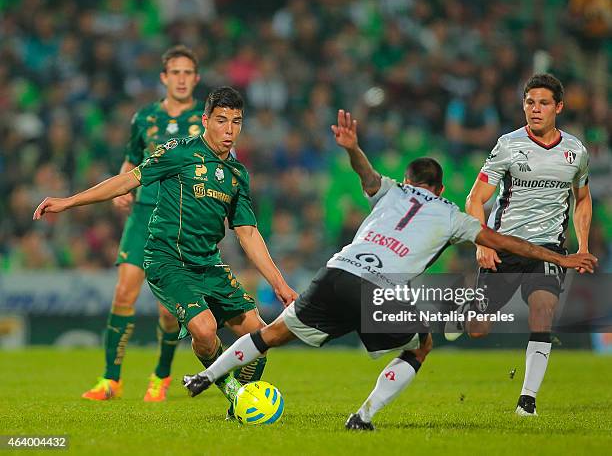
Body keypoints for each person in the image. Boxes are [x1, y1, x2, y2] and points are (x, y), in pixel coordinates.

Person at [181, 109, 597, 430]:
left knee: (271, 334)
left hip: (337, 270)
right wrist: (561, 258)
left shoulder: (391, 191)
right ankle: (362, 416)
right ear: (439, 188)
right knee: (421, 346)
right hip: (378, 289)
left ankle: (206, 377)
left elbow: (365, 174)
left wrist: (350, 147)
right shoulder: (452, 214)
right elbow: (506, 242)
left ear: (408, 179)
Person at [34, 86, 298, 417]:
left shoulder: (237, 174)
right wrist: (69, 201)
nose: (229, 130)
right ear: (205, 121)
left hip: (209, 264)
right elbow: (128, 180)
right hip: (167, 261)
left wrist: (279, 283)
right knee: (203, 329)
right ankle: (231, 390)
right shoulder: (178, 152)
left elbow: (247, 232)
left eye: (236, 122)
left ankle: (241, 402)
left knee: (261, 336)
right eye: (221, 121)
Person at [445, 73, 593, 417]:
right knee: (479, 329)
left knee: (543, 313)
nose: (535, 109)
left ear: (559, 107)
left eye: (543, 103)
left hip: (548, 248)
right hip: (505, 246)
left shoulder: (575, 151)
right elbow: (474, 198)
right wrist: (482, 242)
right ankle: (466, 309)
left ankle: (527, 401)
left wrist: (582, 246)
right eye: (529, 102)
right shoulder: (508, 145)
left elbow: (582, 199)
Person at [81, 45, 206, 402]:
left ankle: (162, 374)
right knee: (124, 293)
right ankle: (110, 380)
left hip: (181, 219)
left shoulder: (208, 117)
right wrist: (122, 188)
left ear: (195, 79)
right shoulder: (144, 118)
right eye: (175, 73)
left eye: (187, 73)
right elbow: (131, 160)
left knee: (169, 310)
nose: (181, 79)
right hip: (143, 213)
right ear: (164, 78)